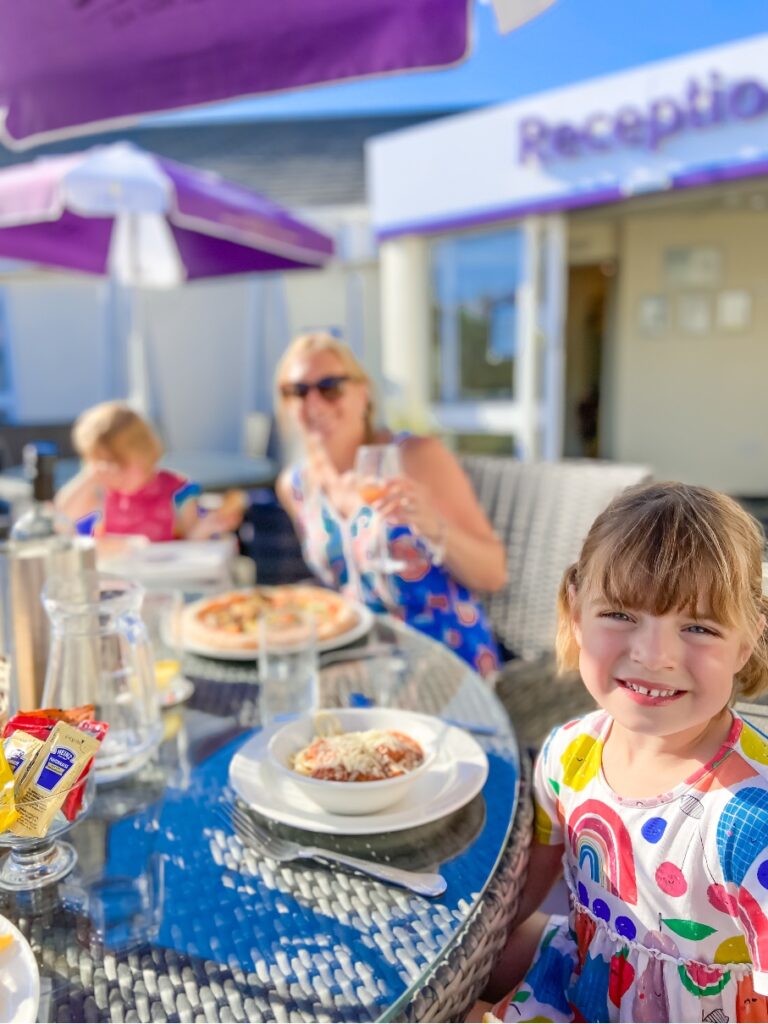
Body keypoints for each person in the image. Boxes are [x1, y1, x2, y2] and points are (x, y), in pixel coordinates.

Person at [478, 481, 768, 1023]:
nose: (654, 654)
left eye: (698, 627)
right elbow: (521, 894)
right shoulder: (570, 752)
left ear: (747, 642)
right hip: (580, 974)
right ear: (575, 613)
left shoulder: (750, 823)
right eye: (620, 614)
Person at [274, 332, 506, 676]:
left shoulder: (416, 458)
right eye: (297, 391)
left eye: (330, 386)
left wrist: (433, 527)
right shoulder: (295, 486)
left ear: (363, 394)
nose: (314, 403)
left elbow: (494, 574)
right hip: (361, 665)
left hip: (446, 659)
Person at [55, 401, 244, 541]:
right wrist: (89, 477)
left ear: (144, 454)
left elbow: (192, 541)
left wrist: (207, 528)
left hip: (167, 580)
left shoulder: (178, 491)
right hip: (117, 581)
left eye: (119, 464)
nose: (113, 473)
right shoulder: (102, 492)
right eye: (101, 464)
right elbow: (62, 518)